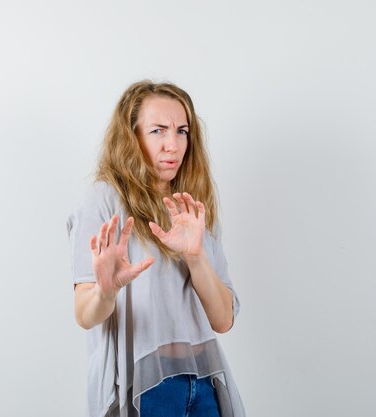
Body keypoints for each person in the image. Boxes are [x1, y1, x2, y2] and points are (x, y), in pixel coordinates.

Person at [66, 80, 245, 417]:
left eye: (181, 131)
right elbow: (84, 314)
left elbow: (222, 319)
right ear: (132, 137)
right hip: (145, 388)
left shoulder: (193, 205)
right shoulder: (105, 199)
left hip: (205, 381)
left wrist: (195, 256)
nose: (172, 145)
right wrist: (107, 290)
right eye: (158, 131)